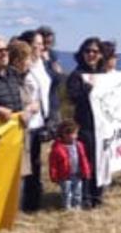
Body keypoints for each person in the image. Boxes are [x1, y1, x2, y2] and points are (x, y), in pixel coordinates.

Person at [66, 37, 106, 208]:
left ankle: (98, 195)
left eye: (95, 51)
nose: (91, 54)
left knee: (101, 161)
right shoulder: (76, 75)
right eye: (87, 51)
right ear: (82, 54)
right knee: (85, 161)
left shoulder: (104, 75)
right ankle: (85, 197)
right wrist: (89, 88)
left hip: (103, 125)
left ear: (100, 55)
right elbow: (73, 98)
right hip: (85, 125)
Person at [9, 39, 45, 211]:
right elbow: (17, 107)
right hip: (15, 133)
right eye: (28, 58)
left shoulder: (23, 78)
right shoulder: (11, 81)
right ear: (18, 61)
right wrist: (31, 108)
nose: (30, 62)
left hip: (26, 132)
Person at [48, 119, 91, 211]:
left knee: (77, 191)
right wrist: (54, 175)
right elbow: (53, 164)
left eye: (76, 134)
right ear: (65, 134)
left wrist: (86, 171)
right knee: (67, 192)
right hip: (65, 176)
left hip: (77, 173)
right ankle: (67, 207)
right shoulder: (57, 148)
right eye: (73, 134)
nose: (76, 136)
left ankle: (77, 206)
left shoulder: (79, 145)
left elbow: (83, 159)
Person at [37, 25, 66, 129]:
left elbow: (59, 78)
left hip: (53, 102)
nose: (46, 47)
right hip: (39, 104)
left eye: (49, 43)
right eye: (44, 43)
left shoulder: (52, 55)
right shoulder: (34, 58)